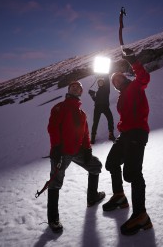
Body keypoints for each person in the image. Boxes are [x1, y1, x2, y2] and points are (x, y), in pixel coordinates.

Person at [102, 48, 153, 236]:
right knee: (111, 163)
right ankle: (119, 197)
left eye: (119, 78)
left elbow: (144, 78)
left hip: (137, 133)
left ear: (125, 78)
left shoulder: (136, 86)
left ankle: (141, 215)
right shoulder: (122, 96)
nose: (116, 81)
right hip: (125, 135)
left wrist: (133, 61)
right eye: (114, 80)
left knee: (132, 173)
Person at [47, 81, 105, 232]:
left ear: (81, 92)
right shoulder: (60, 107)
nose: (75, 88)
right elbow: (53, 128)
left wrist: (87, 150)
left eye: (78, 87)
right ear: (68, 90)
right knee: (55, 182)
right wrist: (56, 147)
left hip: (77, 150)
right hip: (62, 152)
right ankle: (53, 219)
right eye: (72, 86)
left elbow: (85, 133)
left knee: (95, 165)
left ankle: (92, 197)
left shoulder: (82, 114)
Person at [88, 75, 115, 144]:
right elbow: (96, 100)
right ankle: (93, 137)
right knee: (95, 122)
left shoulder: (106, 89)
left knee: (110, 119)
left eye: (101, 82)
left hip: (105, 106)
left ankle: (111, 134)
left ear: (104, 83)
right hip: (97, 107)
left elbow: (107, 81)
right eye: (99, 82)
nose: (100, 83)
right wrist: (92, 95)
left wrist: (105, 75)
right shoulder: (98, 92)